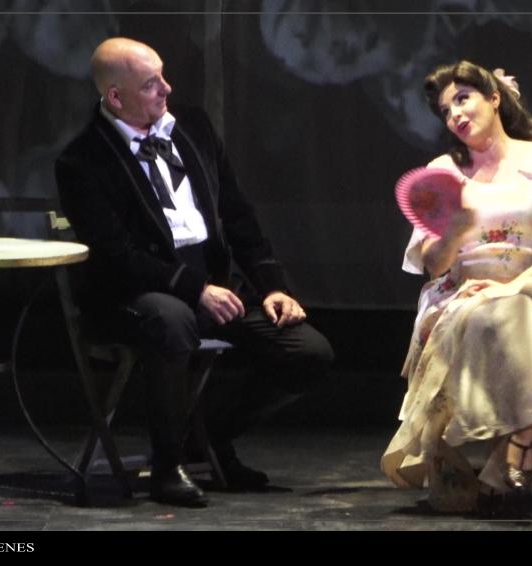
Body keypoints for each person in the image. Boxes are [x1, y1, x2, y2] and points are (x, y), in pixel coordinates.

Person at [56, 37, 333, 508]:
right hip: (137, 293)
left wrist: (271, 286)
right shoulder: (82, 161)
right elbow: (117, 255)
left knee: (308, 352)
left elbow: (238, 216)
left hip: (214, 286)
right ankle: (167, 468)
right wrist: (194, 288)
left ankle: (207, 436)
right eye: (151, 84)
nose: (167, 88)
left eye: (163, 75)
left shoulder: (193, 127)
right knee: (172, 319)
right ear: (116, 97)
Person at [381, 60, 532, 513]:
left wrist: (512, 286)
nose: (456, 115)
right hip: (463, 294)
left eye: (463, 99)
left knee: (529, 307)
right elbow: (434, 266)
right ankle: (516, 444)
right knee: (497, 316)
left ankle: (518, 442)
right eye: (446, 111)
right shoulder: (444, 170)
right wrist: (455, 229)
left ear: (495, 97)